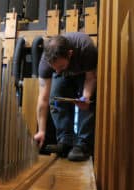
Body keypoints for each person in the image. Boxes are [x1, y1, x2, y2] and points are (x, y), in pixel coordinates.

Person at [34, 32, 97, 161]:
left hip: (83, 72)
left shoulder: (86, 49)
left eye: (61, 66)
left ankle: (83, 144)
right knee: (55, 97)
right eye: (54, 68)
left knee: (88, 103)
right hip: (67, 71)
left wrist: (85, 97)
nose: (57, 71)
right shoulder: (46, 63)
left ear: (69, 54)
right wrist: (41, 131)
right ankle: (66, 141)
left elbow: (90, 78)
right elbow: (43, 99)